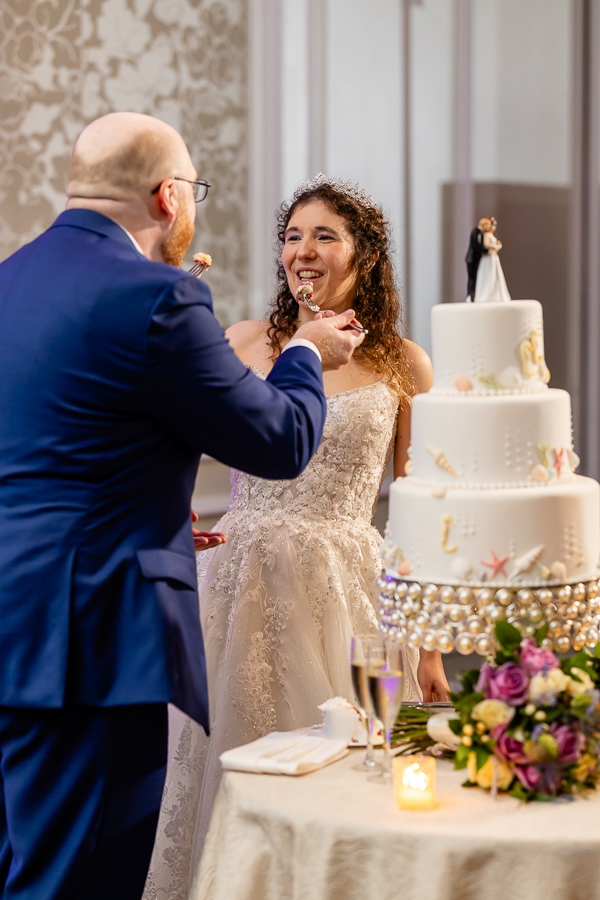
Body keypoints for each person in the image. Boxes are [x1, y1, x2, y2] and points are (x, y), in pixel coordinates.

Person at [0, 116, 365, 899]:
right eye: (192, 193)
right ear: (168, 196)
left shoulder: (11, 280)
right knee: (82, 877)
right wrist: (305, 353)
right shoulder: (159, 295)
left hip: (16, 622)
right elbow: (278, 441)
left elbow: (59, 451)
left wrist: (149, 513)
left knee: (24, 863)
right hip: (90, 643)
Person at [145, 174, 450, 899]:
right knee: (229, 762)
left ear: (364, 254)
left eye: (324, 236)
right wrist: (169, 513)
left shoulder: (405, 363)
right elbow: (173, 441)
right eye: (291, 235)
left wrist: (431, 645)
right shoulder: (243, 340)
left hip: (350, 587)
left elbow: (418, 505)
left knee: (348, 768)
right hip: (239, 578)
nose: (302, 251)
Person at [471, 216, 511, 303]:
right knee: (488, 273)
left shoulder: (491, 234)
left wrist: (498, 246)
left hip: (494, 257)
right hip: (488, 257)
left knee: (495, 274)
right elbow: (486, 244)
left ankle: (496, 294)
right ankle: (486, 294)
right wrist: (495, 246)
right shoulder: (486, 235)